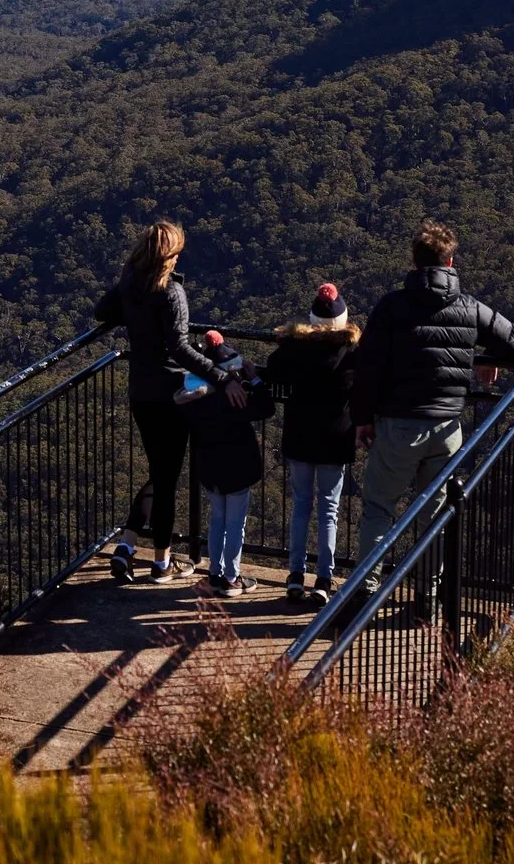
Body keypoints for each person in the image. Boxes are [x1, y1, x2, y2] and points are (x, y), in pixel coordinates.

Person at [344, 222, 514, 605]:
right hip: (446, 428)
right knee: (433, 518)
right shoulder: (469, 308)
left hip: (397, 426)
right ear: (450, 261)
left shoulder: (392, 307)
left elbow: (367, 367)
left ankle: (364, 594)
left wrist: (362, 417)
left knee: (379, 509)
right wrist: (491, 357)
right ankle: (427, 600)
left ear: (415, 262)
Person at [93, 221, 236, 582]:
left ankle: (126, 546)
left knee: (160, 472)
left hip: (141, 391)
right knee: (166, 478)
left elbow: (101, 311)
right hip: (172, 393)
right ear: (170, 254)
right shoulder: (170, 292)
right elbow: (180, 347)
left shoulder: (132, 284)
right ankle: (161, 562)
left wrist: (131, 303)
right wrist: (221, 376)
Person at [262, 283, 359, 606]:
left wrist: (288, 340)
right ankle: (324, 579)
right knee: (328, 509)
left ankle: (294, 576)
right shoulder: (352, 352)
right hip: (335, 439)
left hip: (300, 436)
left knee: (301, 506)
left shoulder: (295, 349)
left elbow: (273, 368)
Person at [180, 331, 274, 594]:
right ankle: (232, 578)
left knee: (217, 520)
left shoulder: (194, 398)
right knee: (235, 524)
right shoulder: (237, 397)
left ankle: (214, 574)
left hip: (210, 468)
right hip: (238, 468)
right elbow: (267, 408)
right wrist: (253, 378)